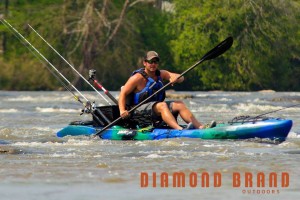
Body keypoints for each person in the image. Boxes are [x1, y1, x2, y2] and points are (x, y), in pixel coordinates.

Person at [118, 51, 207, 130]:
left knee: (179, 104)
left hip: (155, 108)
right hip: (138, 110)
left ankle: (200, 127)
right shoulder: (137, 78)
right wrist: (122, 110)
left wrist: (176, 78)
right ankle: (178, 129)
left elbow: (181, 78)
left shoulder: (161, 74)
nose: (153, 64)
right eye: (151, 62)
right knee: (162, 105)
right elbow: (123, 93)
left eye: (156, 62)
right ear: (144, 63)